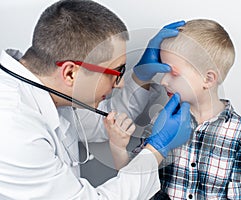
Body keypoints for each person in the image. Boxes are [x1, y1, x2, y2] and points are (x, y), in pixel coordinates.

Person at [0, 0, 191, 199]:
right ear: (71, 73)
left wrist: (140, 78)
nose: (120, 84)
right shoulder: (13, 128)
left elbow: (103, 122)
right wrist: (156, 149)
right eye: (117, 72)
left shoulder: (48, 89)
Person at [151, 19, 241, 199]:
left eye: (172, 72)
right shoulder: (161, 120)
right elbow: (139, 178)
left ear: (208, 79)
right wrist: (119, 145)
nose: (163, 81)